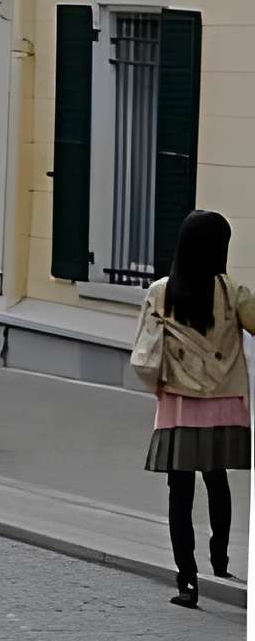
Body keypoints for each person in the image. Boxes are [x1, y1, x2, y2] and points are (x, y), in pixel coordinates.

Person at [133, 208, 255, 608]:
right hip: (224, 404)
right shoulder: (231, 291)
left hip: (178, 407)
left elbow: (146, 351)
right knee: (217, 482)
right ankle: (220, 562)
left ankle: (187, 583)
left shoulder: (161, 291)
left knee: (179, 492)